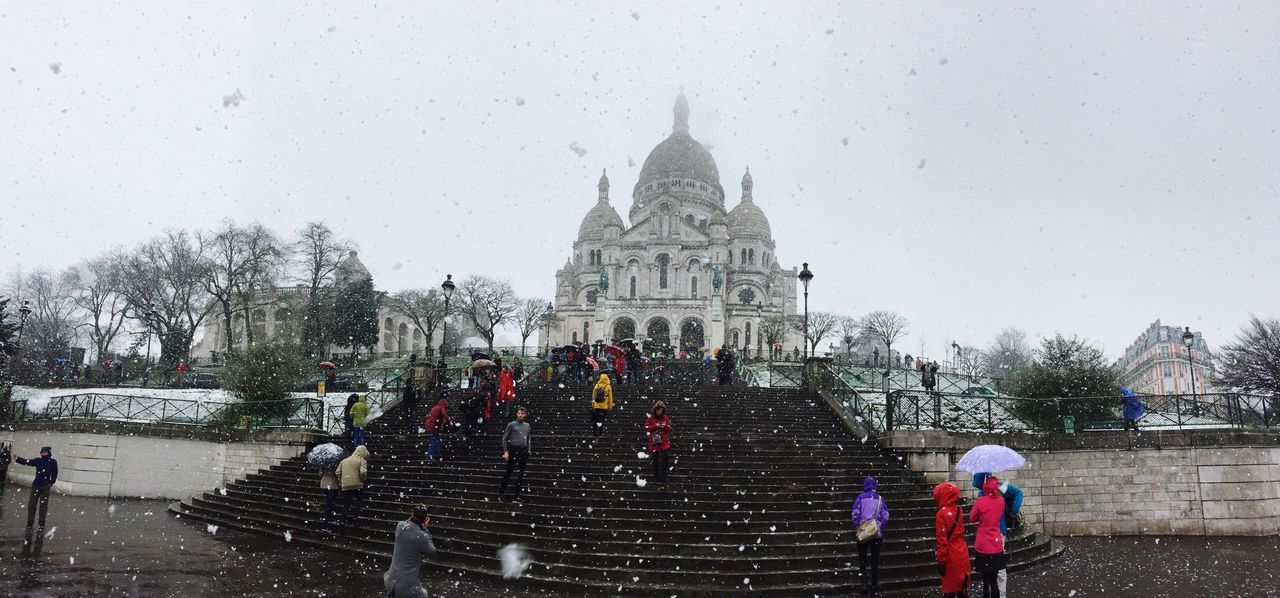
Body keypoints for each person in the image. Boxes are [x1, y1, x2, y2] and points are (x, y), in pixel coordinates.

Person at [974, 472, 1022, 596]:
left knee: (998, 569)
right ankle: (996, 593)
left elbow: (1018, 492)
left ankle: (1001, 595)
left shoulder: (1000, 487)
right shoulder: (982, 493)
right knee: (993, 567)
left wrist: (1012, 512)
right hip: (990, 534)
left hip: (998, 532)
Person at [383, 505, 438, 598]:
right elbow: (432, 550)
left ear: (412, 514)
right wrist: (425, 528)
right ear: (425, 520)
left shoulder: (400, 526)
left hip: (390, 581)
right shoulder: (422, 536)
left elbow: (408, 523)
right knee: (424, 594)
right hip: (407, 588)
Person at [850, 476, 890, 597]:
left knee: (863, 559)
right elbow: (886, 516)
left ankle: (864, 584)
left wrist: (858, 524)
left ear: (865, 486)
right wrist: (879, 525)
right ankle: (874, 585)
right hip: (877, 534)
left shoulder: (860, 498)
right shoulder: (880, 499)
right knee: (875, 560)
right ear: (874, 486)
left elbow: (855, 513)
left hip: (863, 532)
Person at [970, 475, 1007, 598]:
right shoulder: (1001, 501)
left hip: (983, 544)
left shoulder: (981, 501)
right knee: (994, 580)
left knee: (985, 580)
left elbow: (972, 517)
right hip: (996, 544)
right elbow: (1000, 513)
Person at [934, 482, 971, 598]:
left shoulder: (941, 514)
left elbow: (942, 540)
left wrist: (941, 560)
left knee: (949, 589)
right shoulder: (959, 510)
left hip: (951, 555)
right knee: (962, 587)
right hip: (962, 551)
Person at [13, 446, 59, 529]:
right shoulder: (38, 460)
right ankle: (30, 523)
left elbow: (55, 473)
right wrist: (18, 459)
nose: (43, 453)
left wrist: (51, 482)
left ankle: (41, 524)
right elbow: (28, 462)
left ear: (48, 452)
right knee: (32, 505)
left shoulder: (53, 462)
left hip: (45, 486)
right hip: (36, 485)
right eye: (42, 452)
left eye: (44, 452)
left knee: (43, 505)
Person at [498, 406, 532, 502]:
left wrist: (529, 450)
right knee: (508, 472)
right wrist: (506, 451)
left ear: (525, 415)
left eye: (522, 413)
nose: (520, 415)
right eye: (519, 413)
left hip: (523, 451)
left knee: (520, 474)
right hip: (513, 450)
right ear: (517, 414)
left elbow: (528, 439)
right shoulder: (511, 425)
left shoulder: (527, 426)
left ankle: (517, 495)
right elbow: (504, 438)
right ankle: (501, 493)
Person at [336, 445, 369, 533]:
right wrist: (362, 479)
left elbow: (337, 472)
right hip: (358, 485)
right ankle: (356, 521)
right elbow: (363, 472)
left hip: (346, 486)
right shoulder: (362, 460)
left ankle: (341, 526)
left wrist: (341, 482)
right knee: (358, 502)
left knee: (346, 506)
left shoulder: (344, 461)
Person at [645, 401, 673, 484]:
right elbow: (647, 427)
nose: (659, 412)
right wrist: (656, 426)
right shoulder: (651, 418)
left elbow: (670, 428)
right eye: (658, 410)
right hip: (655, 441)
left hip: (664, 441)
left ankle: (663, 477)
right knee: (655, 460)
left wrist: (665, 426)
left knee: (665, 457)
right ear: (655, 410)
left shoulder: (665, 417)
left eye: (660, 410)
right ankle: (656, 478)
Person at [423, 396, 451, 460]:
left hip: (429, 424)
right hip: (433, 425)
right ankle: (429, 456)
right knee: (434, 441)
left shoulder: (435, 407)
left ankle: (437, 452)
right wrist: (449, 421)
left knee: (436, 438)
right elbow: (444, 414)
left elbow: (428, 416)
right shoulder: (442, 407)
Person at [590, 373, 613, 438]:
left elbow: (593, 397)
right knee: (601, 420)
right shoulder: (608, 386)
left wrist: (593, 405)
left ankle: (594, 432)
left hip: (596, 406)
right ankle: (600, 433)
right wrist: (610, 406)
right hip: (604, 407)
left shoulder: (596, 385)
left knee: (595, 420)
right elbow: (610, 398)